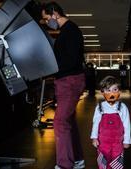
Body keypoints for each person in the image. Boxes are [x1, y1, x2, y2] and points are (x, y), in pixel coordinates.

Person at [41, 2, 86, 169]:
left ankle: (65, 164)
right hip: (66, 80)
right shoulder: (65, 31)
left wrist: (54, 69)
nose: (47, 22)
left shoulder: (71, 30)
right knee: (69, 121)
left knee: (60, 122)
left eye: (46, 18)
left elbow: (72, 60)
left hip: (70, 81)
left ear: (54, 13)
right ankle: (78, 159)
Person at [90, 76, 131, 169]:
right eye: (108, 90)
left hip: (118, 142)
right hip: (102, 142)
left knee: (117, 161)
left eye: (115, 89)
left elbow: (127, 124)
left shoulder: (122, 107)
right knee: (103, 161)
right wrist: (94, 138)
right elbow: (95, 123)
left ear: (119, 91)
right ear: (102, 92)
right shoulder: (100, 107)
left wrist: (127, 140)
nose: (111, 93)